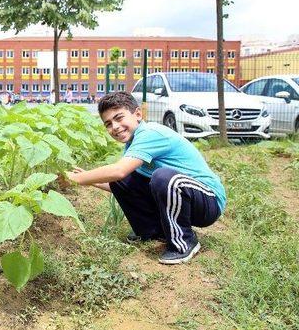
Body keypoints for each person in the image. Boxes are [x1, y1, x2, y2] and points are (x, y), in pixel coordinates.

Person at [66, 92, 226, 265]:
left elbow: (119, 170)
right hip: (184, 197)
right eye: (109, 124)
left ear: (137, 114)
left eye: (119, 118)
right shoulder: (132, 145)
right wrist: (90, 180)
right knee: (128, 179)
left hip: (208, 201)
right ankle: (154, 231)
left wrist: (79, 178)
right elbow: (122, 182)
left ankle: (184, 242)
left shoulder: (150, 133)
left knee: (163, 177)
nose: (115, 127)